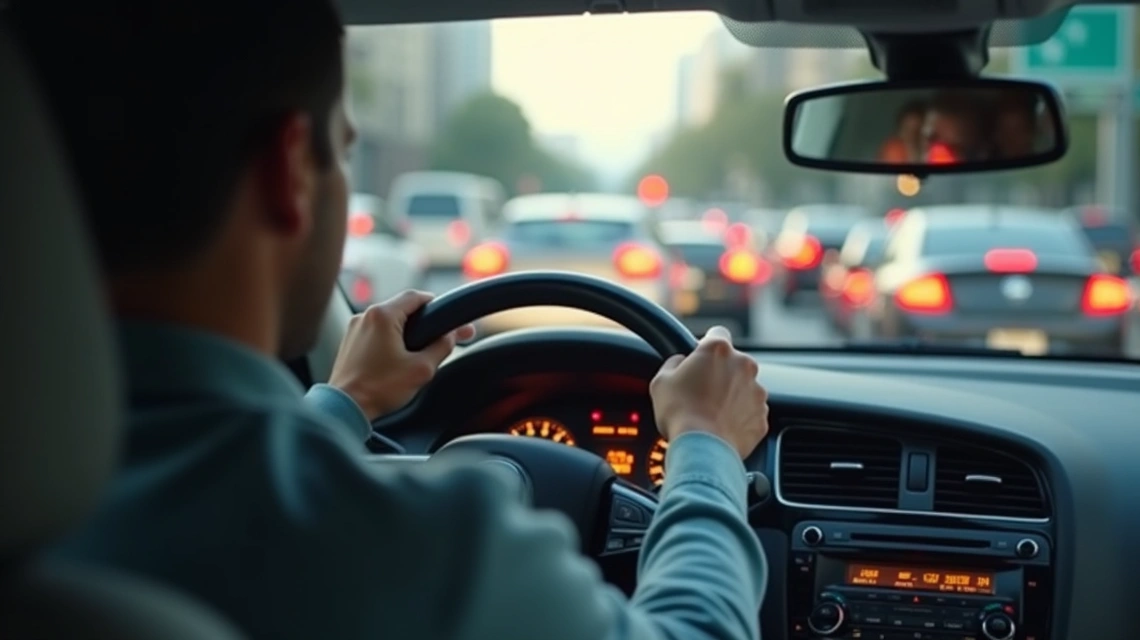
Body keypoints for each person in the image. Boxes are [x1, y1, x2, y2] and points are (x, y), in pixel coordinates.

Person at [8, 2, 769, 640]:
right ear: (289, 169)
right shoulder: (435, 552)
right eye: (341, 153)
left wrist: (343, 403)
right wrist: (704, 445)